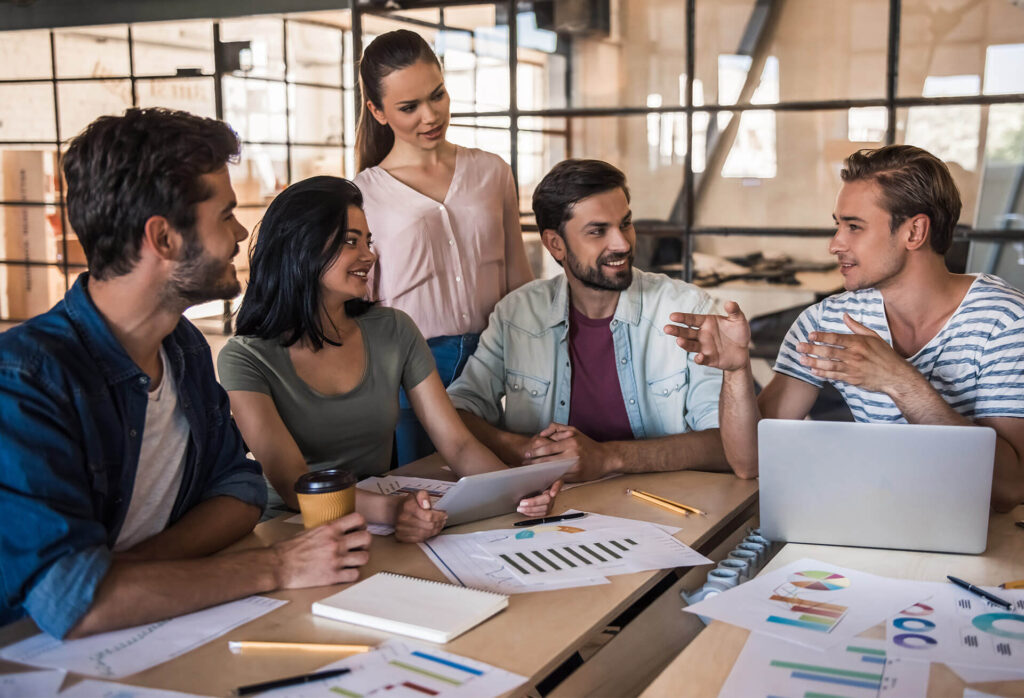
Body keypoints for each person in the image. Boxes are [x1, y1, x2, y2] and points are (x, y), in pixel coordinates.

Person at [0, 109, 370, 640]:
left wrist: (128, 574)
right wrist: (277, 566)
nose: (241, 235)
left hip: (155, 631)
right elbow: (73, 603)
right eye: (225, 216)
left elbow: (239, 489)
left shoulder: (182, 346)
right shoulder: (25, 380)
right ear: (164, 238)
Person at [666, 145, 1024, 511]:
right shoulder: (826, 320)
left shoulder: (1006, 321)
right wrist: (736, 371)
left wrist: (899, 381)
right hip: (876, 519)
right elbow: (750, 462)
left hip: (983, 537)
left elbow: (1010, 490)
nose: (835, 244)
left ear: (914, 231)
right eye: (838, 225)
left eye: (854, 227)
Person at [217, 176, 558, 542]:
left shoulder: (393, 330)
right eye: (351, 242)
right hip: (290, 531)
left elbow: (457, 443)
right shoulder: (245, 358)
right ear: (301, 248)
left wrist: (515, 491)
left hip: (376, 525)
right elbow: (292, 484)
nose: (369, 255)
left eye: (368, 241)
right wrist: (394, 511)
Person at [446, 159, 730, 482]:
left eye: (625, 224)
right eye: (598, 231)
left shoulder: (685, 309)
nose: (622, 243)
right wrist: (525, 450)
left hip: (666, 508)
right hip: (553, 513)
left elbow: (725, 444)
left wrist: (608, 458)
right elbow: (457, 413)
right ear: (556, 244)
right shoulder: (516, 315)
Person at [353, 29, 534, 465]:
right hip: (409, 369)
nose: (430, 115)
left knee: (503, 485)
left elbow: (518, 277)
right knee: (428, 494)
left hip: (494, 358)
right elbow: (360, 302)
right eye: (409, 107)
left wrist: (533, 354)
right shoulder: (362, 194)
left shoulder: (492, 171)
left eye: (437, 95)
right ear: (377, 111)